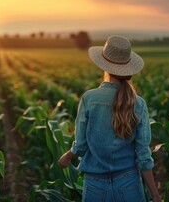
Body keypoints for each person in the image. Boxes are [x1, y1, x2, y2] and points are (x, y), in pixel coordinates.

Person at [58, 35, 161, 202]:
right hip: (129, 184)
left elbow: (81, 145)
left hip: (95, 185)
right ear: (127, 69)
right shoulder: (138, 104)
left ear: (104, 66)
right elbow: (143, 155)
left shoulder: (89, 99)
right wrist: (155, 195)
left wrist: (68, 156)